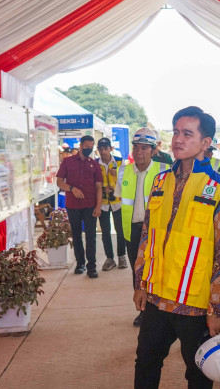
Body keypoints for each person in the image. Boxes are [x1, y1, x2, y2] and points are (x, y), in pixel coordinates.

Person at [133, 107, 220, 388]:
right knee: (146, 361)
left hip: (195, 305)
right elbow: (146, 237)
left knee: (200, 371)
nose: (178, 139)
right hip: (156, 297)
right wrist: (140, 283)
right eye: (176, 131)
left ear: (205, 143)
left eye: (187, 133)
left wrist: (217, 307)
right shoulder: (160, 181)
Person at [117, 127, 168, 326]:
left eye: (145, 148)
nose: (139, 152)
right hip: (132, 230)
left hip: (156, 232)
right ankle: (142, 311)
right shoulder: (124, 171)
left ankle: (158, 310)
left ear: (153, 150)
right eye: (136, 147)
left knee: (156, 270)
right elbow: (120, 201)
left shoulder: (164, 171)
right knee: (137, 272)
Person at [56, 135, 103, 278]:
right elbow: (59, 182)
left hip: (90, 205)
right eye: (86, 147)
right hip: (73, 205)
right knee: (76, 236)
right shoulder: (67, 162)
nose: (89, 149)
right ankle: (80, 264)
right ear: (81, 146)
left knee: (91, 237)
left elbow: (99, 187)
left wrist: (98, 207)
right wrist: (72, 189)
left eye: (91, 147)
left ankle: (92, 266)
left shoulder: (95, 165)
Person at [96, 137, 127, 272]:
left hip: (118, 202)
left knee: (120, 231)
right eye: (100, 149)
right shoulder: (95, 164)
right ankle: (110, 258)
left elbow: (126, 181)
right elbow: (92, 184)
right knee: (105, 232)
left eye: (106, 149)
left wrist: (117, 190)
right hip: (102, 203)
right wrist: (103, 190)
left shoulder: (120, 162)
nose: (103, 152)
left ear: (111, 149)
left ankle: (121, 256)